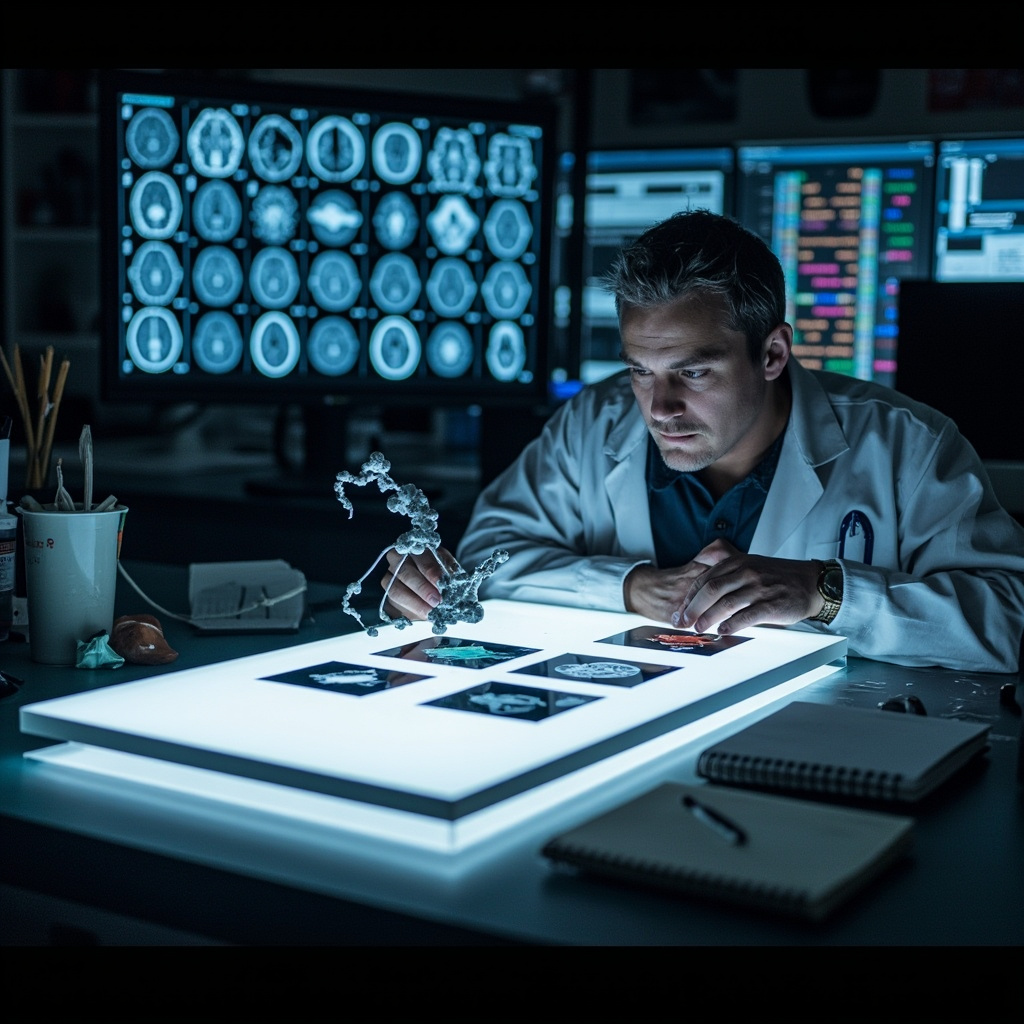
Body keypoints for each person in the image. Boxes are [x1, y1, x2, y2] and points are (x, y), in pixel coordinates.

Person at [383, 209, 1024, 672]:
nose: (658, 408)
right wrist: (631, 587)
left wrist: (824, 593)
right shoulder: (593, 423)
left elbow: (1007, 620)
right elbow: (490, 555)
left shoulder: (906, 445)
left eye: (693, 372)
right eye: (641, 370)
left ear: (772, 354)